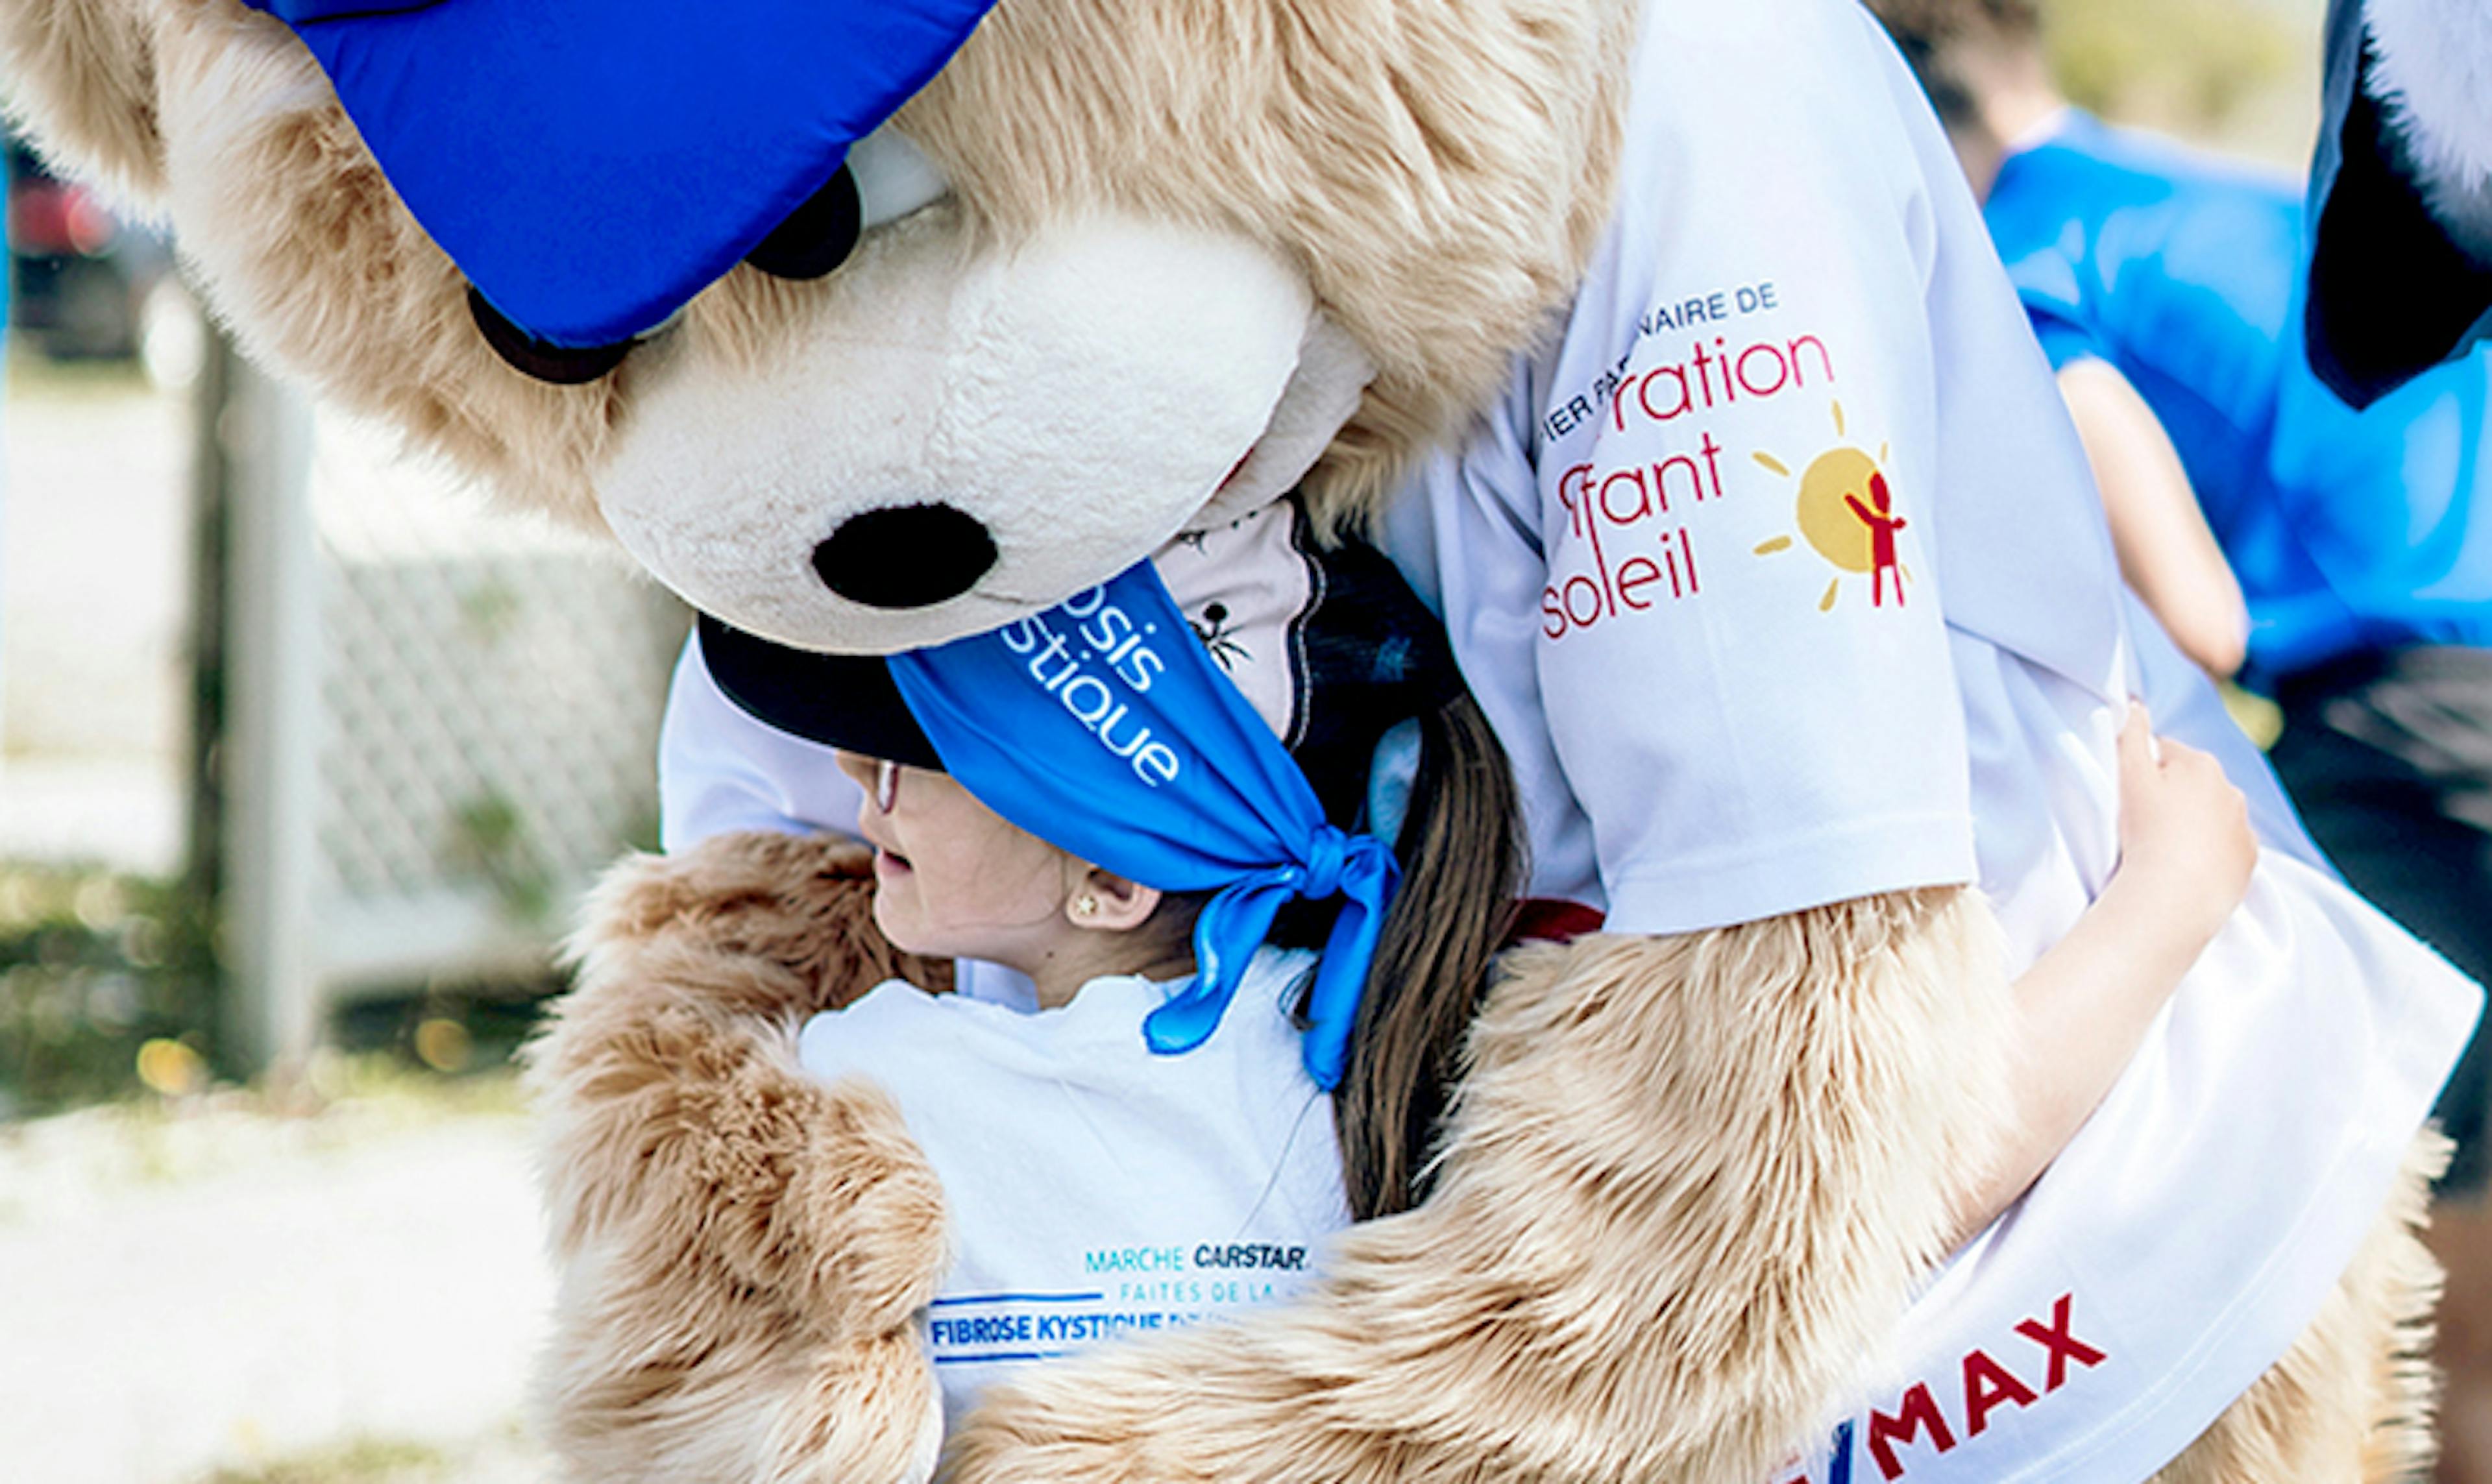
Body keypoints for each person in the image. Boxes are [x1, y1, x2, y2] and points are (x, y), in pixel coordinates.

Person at [704, 496, 2264, 1434]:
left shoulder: (1425, 1070)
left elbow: (1824, 1202)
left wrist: (2172, 902)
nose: (856, 775)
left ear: (1113, 874)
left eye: (924, 753)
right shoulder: (849, 1089)